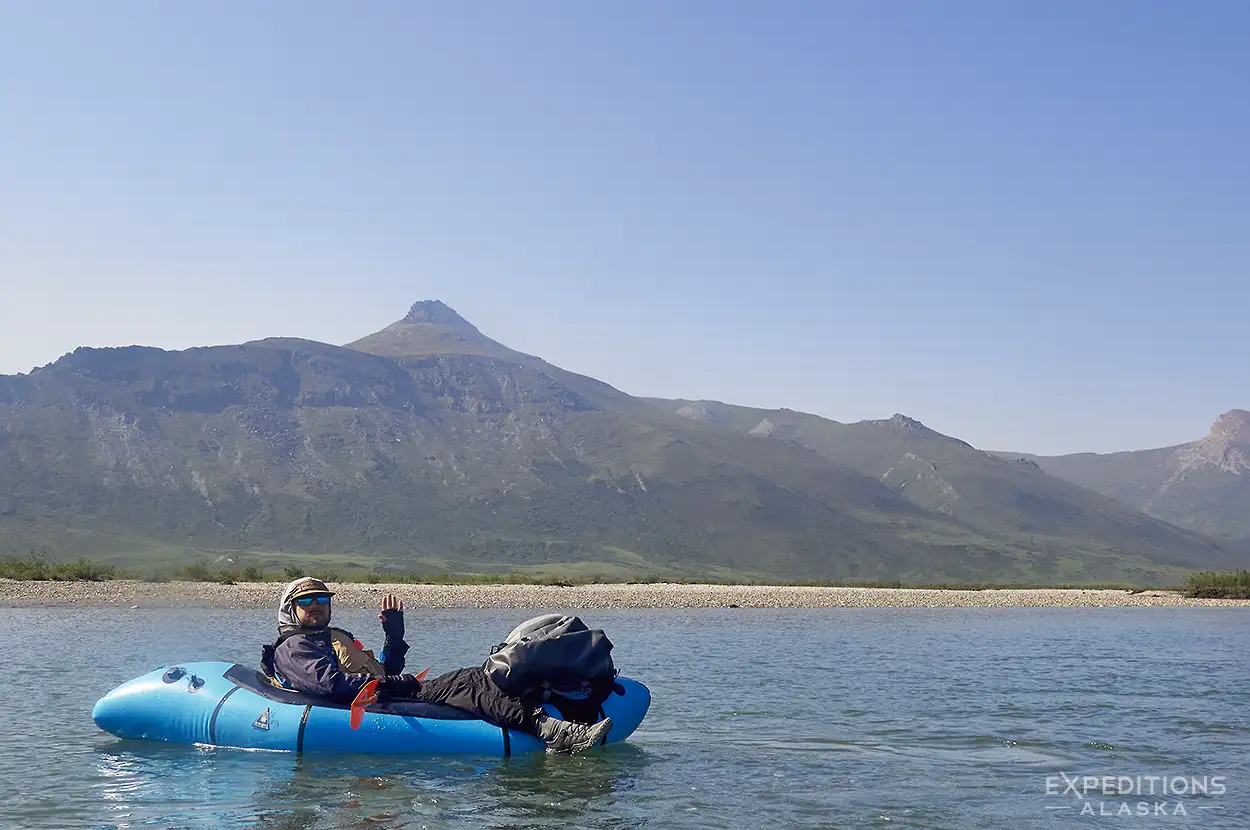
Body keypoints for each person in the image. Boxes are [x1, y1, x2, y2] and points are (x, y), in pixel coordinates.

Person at [262, 576, 613, 754]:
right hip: (364, 704)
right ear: (291, 610)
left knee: (471, 679)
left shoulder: (333, 636)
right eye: (306, 601)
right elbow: (333, 687)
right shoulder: (295, 646)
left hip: (381, 692)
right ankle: (552, 731)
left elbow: (382, 668)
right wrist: (397, 685)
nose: (317, 606)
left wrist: (394, 639)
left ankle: (549, 709)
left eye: (321, 599)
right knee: (466, 683)